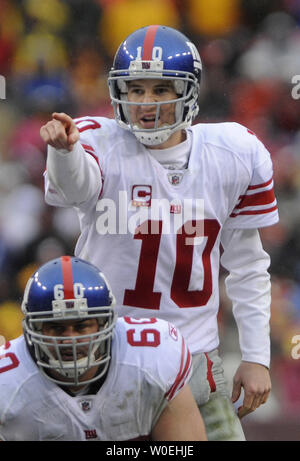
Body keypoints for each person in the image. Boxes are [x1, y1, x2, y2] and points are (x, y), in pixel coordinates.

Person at [40, 25, 279, 440]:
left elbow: (247, 266)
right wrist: (64, 152)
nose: (145, 102)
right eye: (134, 90)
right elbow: (75, 187)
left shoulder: (231, 153)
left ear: (187, 92)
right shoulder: (98, 141)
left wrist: (256, 355)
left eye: (160, 89)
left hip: (195, 365)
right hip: (112, 366)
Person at [0, 255, 206, 441]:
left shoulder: (150, 358)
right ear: (34, 328)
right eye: (56, 327)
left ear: (104, 323)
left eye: (81, 326)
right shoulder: (7, 381)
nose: (70, 339)